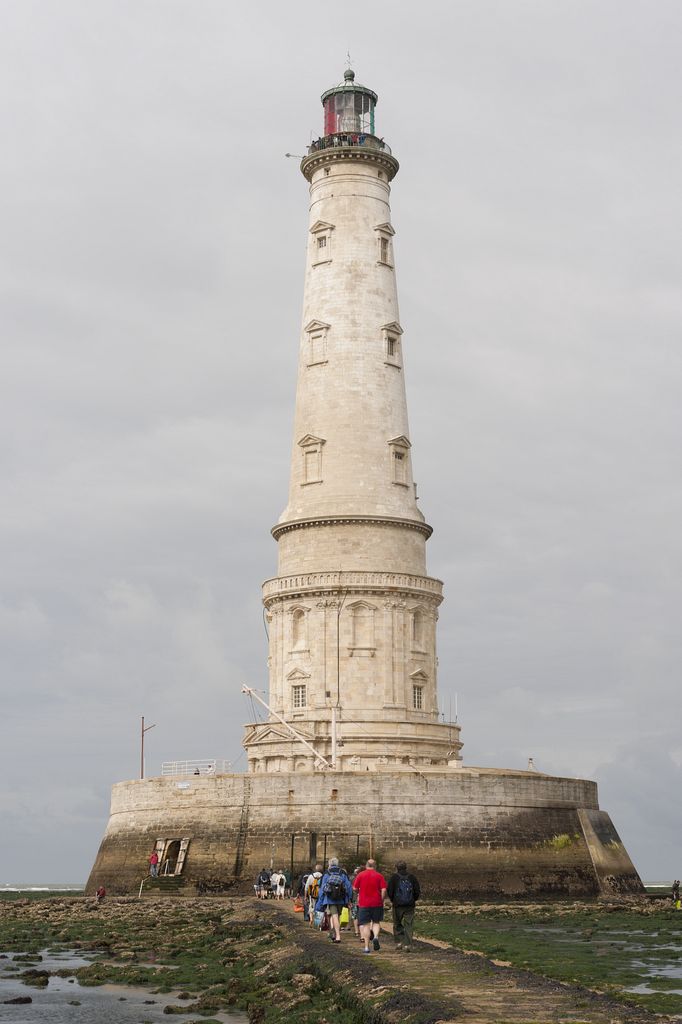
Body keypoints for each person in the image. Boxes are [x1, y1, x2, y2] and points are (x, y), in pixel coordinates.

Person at [352, 858, 387, 954]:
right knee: (376, 922)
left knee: (366, 925)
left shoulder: (361, 875)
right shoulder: (379, 876)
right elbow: (384, 890)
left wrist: (359, 892)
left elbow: (354, 887)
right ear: (375, 866)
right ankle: (375, 937)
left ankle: (367, 947)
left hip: (364, 903)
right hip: (377, 903)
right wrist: (381, 899)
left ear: (366, 865)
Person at [315, 857, 353, 943]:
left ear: (329, 864)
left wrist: (320, 902)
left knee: (334, 915)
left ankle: (337, 935)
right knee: (338, 916)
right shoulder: (343, 873)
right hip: (342, 899)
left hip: (330, 899)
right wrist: (349, 899)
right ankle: (335, 932)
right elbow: (349, 887)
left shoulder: (326, 873)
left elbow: (322, 889)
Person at [387, 861, 421, 951]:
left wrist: (392, 900)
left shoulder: (394, 877)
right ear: (406, 867)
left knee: (397, 923)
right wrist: (413, 899)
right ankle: (407, 945)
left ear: (396, 868)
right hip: (410, 905)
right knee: (409, 925)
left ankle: (399, 943)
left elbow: (389, 891)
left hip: (397, 905)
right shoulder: (412, 877)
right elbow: (417, 890)